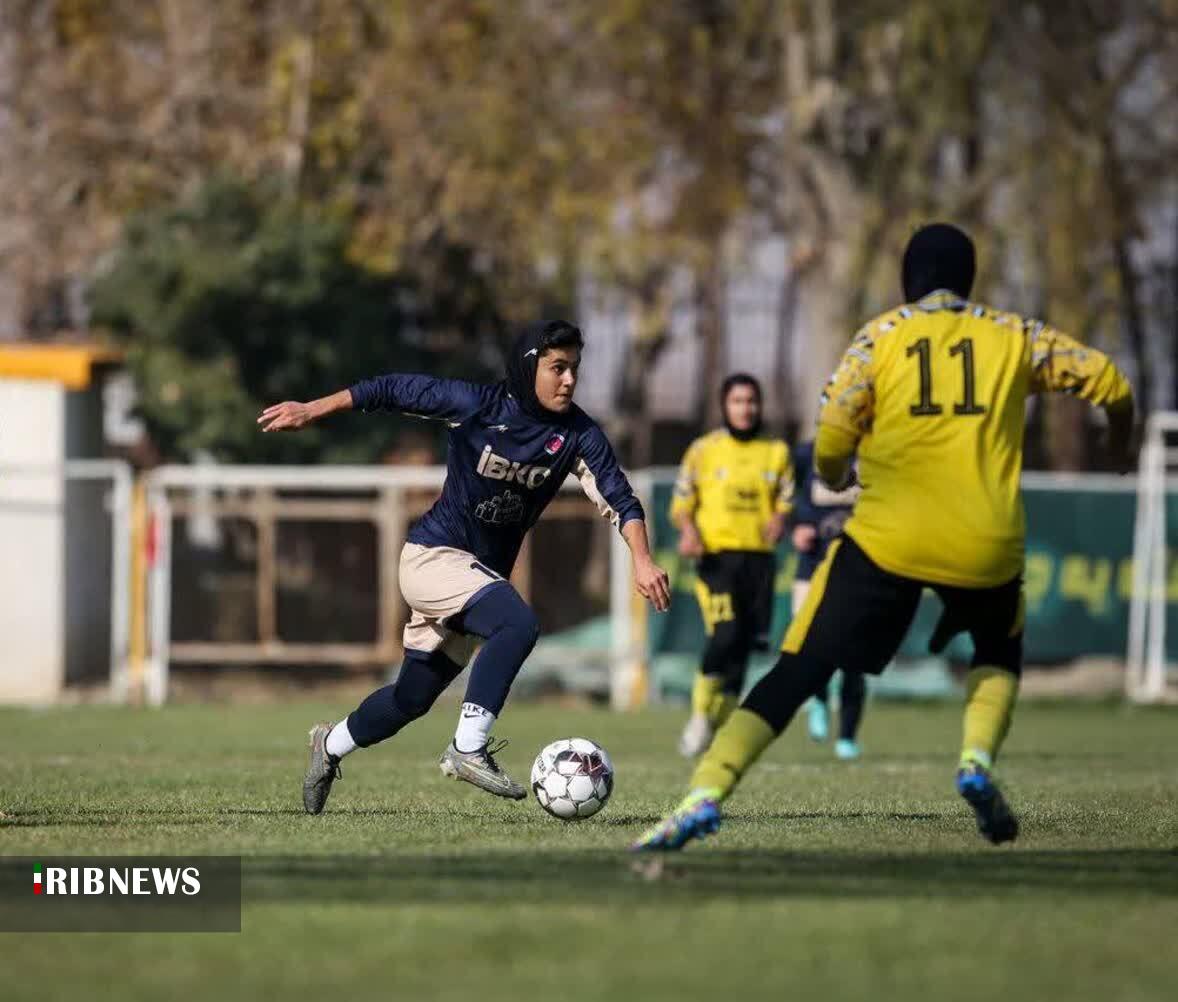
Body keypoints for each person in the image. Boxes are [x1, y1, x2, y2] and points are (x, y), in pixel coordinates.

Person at [633, 223, 1134, 851]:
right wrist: (1119, 440)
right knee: (998, 652)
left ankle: (705, 792)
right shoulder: (1015, 336)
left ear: (908, 279)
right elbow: (1109, 379)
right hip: (986, 539)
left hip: (886, 538)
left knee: (796, 670)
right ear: (969, 278)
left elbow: (834, 435)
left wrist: (837, 474)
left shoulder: (881, 336)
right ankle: (976, 759)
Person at [258, 320, 671, 813]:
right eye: (557, 368)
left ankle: (328, 746)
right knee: (517, 623)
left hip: (476, 579)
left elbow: (620, 498)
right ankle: (467, 748)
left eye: (575, 369)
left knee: (409, 699)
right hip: (433, 558)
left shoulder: (579, 436)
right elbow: (389, 389)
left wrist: (642, 560)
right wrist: (312, 409)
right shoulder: (476, 406)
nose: (569, 380)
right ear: (527, 367)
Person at [670, 374, 794, 757]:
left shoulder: (776, 451)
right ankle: (698, 716)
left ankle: (716, 727)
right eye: (738, 401)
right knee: (724, 634)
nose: (746, 408)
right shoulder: (703, 451)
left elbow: (786, 499)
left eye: (752, 401)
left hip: (759, 563)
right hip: (716, 559)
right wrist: (689, 531)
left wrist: (780, 518)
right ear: (725, 405)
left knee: (743, 652)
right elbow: (681, 504)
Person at [790, 439, 867, 760]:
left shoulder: (873, 452)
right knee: (812, 645)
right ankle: (818, 698)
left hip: (859, 569)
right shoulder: (806, 454)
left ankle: (847, 735)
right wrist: (796, 524)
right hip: (812, 568)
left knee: (855, 656)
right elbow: (784, 495)